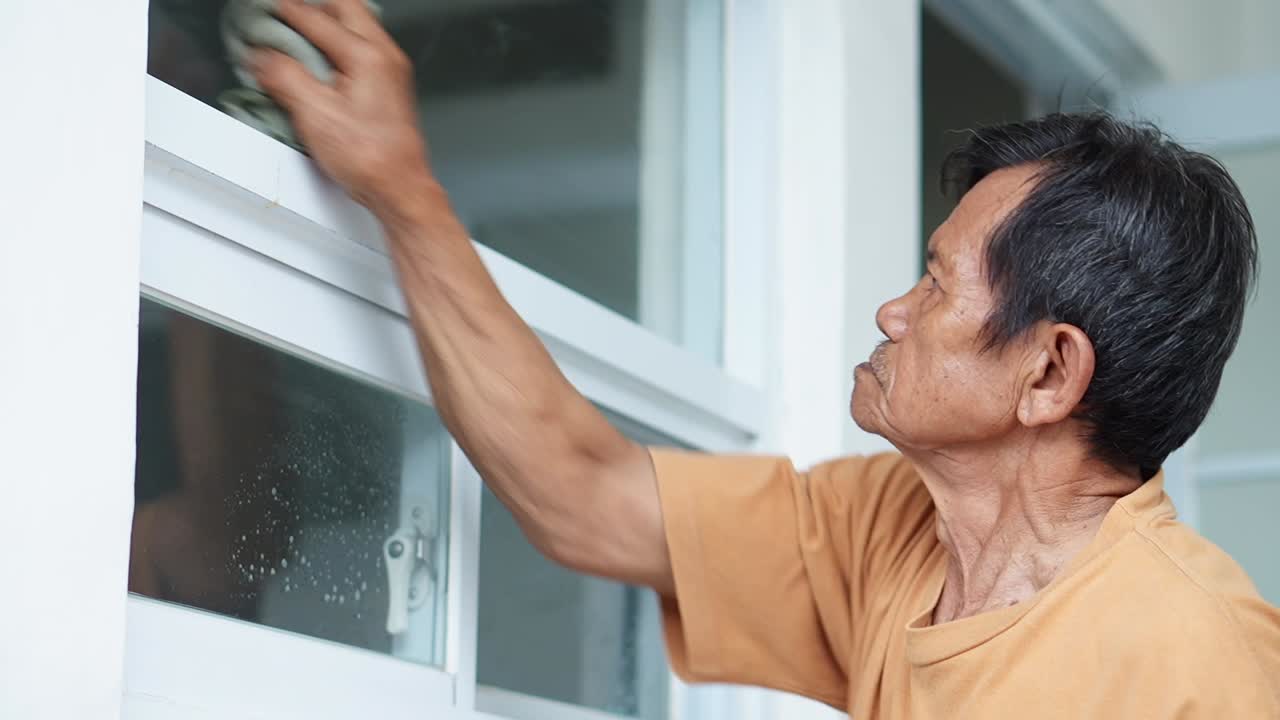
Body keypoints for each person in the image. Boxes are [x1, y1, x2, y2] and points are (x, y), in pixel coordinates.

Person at [248, 0, 1280, 716]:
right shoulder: (891, 529)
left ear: (1048, 375)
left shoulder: (1198, 663)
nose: (890, 310)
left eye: (935, 284)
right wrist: (401, 191)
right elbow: (583, 495)